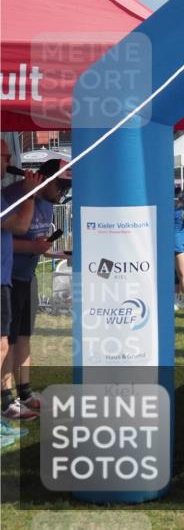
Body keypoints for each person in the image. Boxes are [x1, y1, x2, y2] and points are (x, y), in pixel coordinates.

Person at [1, 158, 71, 421]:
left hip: (26, 276)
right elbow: (11, 237)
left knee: (23, 336)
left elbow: (36, 243)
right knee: (5, 342)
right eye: (61, 186)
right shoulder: (11, 196)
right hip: (8, 276)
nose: (62, 193)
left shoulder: (48, 204)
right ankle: (7, 399)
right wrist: (32, 248)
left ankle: (25, 392)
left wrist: (58, 253)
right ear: (43, 179)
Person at [0, 142, 42, 433]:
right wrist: (29, 193)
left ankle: (10, 399)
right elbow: (20, 224)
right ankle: (6, 401)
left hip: (6, 277)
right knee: (3, 342)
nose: (10, 161)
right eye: (6, 156)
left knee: (7, 340)